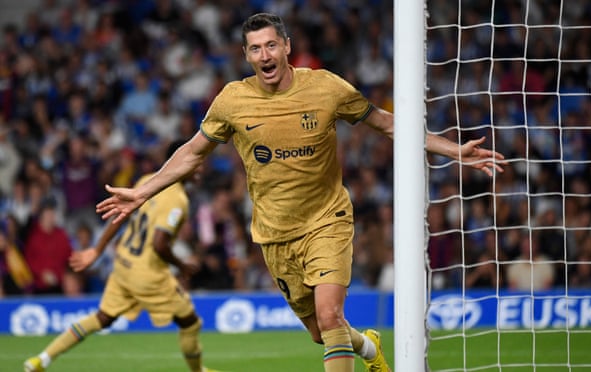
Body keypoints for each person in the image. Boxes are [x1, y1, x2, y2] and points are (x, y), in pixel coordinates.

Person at [95, 13, 506, 372]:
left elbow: (385, 123)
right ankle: (369, 347)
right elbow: (191, 153)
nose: (265, 55)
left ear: (287, 47)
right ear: (246, 56)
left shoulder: (326, 88)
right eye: (256, 49)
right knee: (321, 333)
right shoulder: (232, 101)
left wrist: (455, 151)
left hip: (327, 219)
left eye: (272, 45)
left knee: (330, 316)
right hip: (275, 235)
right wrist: (143, 191)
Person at [24, 142, 219, 372]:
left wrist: (98, 249)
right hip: (148, 274)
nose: (200, 169)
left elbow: (121, 215)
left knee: (102, 317)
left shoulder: (147, 180)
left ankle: (42, 359)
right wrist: (182, 265)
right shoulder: (177, 199)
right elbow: (159, 243)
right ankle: (198, 371)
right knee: (190, 322)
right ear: (180, 162)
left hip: (124, 263)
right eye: (196, 163)